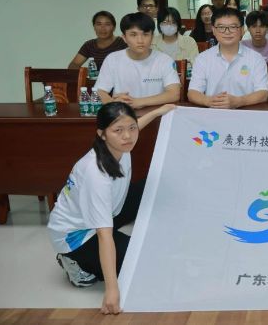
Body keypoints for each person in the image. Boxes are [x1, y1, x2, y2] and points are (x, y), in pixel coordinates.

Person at [47, 101, 174, 315]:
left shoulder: (120, 144)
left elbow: (132, 126)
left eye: (131, 128)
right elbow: (104, 235)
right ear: (102, 134)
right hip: (77, 236)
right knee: (142, 260)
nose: (128, 136)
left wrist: (158, 112)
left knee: (153, 185)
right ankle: (73, 261)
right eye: (118, 130)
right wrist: (112, 290)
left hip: (106, 209)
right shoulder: (96, 174)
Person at [95, 13, 180, 108]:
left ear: (152, 37)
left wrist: (138, 102)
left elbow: (174, 94)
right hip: (122, 113)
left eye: (145, 34)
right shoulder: (113, 59)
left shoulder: (165, 60)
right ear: (124, 38)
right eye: (133, 35)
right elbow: (99, 91)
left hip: (157, 113)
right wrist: (113, 103)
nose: (140, 40)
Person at [188, 8, 268, 109]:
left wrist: (239, 101)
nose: (227, 32)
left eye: (233, 27)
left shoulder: (256, 59)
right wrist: (209, 101)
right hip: (213, 113)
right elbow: (193, 92)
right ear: (214, 30)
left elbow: (263, 93)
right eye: (221, 27)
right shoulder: (202, 59)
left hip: (246, 113)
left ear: (242, 30)